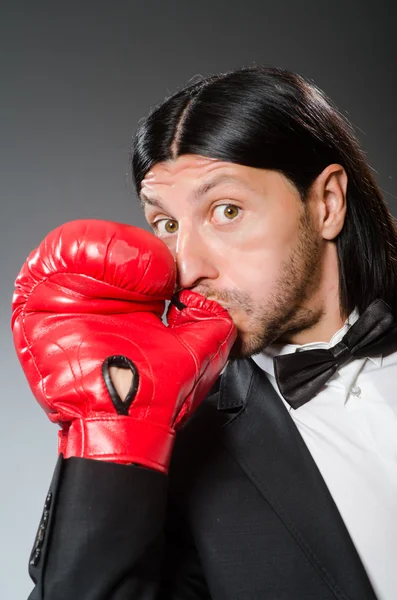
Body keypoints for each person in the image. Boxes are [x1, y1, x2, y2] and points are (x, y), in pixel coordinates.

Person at [12, 66, 397, 600]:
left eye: (227, 210)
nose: (185, 267)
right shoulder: (173, 446)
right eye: (166, 224)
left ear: (327, 202)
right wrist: (115, 429)